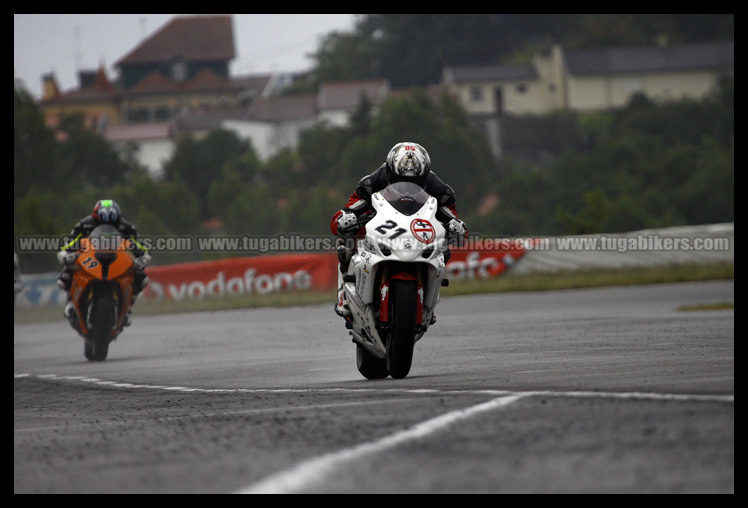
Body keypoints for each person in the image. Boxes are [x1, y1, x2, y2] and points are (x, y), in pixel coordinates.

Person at [330, 142, 467, 318]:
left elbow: (454, 220)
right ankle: (344, 294)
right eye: (400, 181)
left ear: (424, 176)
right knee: (346, 242)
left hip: (418, 229)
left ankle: (429, 299)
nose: (407, 187)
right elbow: (347, 211)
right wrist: (345, 218)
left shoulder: (440, 190)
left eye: (415, 182)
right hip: (381, 224)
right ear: (390, 172)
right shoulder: (371, 182)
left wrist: (456, 227)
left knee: (444, 249)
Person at [57, 199, 150, 326]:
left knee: (142, 279)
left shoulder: (127, 227)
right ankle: (70, 303)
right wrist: (66, 256)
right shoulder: (84, 225)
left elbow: (143, 249)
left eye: (112, 224)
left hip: (117, 258)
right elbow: (66, 246)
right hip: (90, 257)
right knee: (65, 275)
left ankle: (128, 309)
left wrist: (142, 259)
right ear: (95, 219)